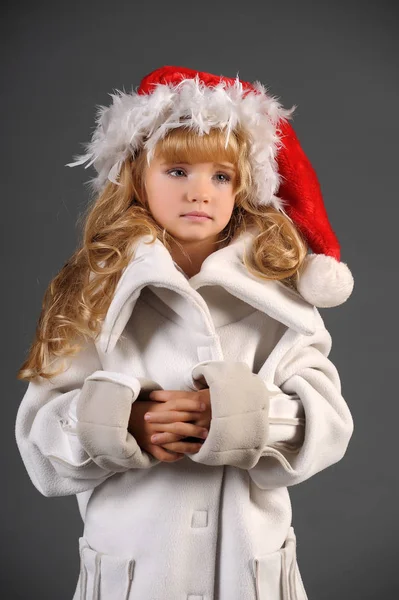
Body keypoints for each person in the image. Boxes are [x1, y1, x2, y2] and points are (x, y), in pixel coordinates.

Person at [15, 65, 355, 600]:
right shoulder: (95, 290)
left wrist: (249, 418)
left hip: (247, 576)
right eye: (177, 171)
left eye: (221, 176)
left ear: (243, 187)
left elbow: (329, 423)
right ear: (135, 177)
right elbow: (38, 445)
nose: (201, 191)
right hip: (133, 576)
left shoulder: (278, 295)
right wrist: (119, 422)